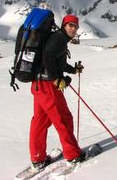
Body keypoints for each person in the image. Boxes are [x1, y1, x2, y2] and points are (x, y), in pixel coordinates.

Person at [29, 14, 84, 171]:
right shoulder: (59, 39)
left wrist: (73, 70)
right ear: (64, 25)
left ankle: (38, 158)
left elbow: (56, 60)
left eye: (76, 26)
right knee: (63, 119)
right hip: (48, 87)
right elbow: (47, 58)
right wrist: (56, 79)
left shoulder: (58, 38)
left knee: (40, 122)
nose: (73, 28)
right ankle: (74, 155)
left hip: (38, 85)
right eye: (70, 25)